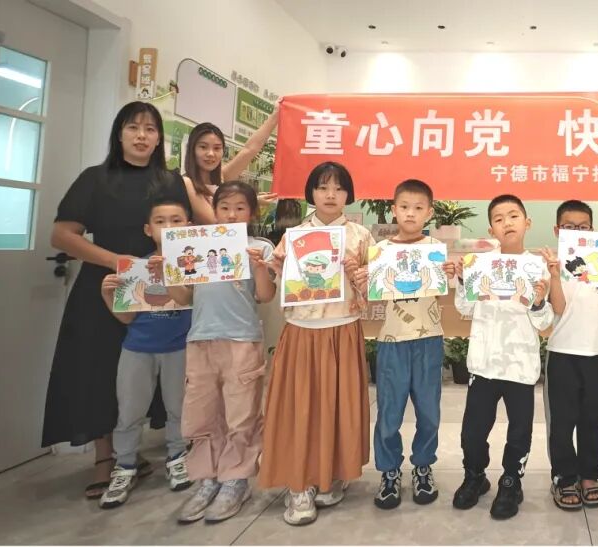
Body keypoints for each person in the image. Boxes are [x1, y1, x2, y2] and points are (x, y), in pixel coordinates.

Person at [43, 101, 193, 499]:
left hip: (162, 289)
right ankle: (105, 459)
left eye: (150, 129)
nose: (141, 136)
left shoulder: (170, 182)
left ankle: (158, 454)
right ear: (119, 133)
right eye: (133, 127)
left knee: (161, 373)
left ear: (159, 138)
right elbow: (62, 235)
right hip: (106, 286)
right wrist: (118, 263)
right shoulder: (95, 179)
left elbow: (187, 233)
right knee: (100, 370)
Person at [259, 162, 373, 526]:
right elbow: (277, 289)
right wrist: (274, 268)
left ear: (348, 195)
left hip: (344, 329)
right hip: (303, 331)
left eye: (338, 188)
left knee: (337, 407)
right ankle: (299, 484)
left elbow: (374, 293)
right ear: (311, 193)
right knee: (301, 408)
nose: (330, 195)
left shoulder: (360, 236)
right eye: (323, 187)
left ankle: (330, 474)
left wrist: (360, 277)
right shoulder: (293, 237)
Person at [167, 182, 276, 523]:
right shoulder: (198, 247)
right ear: (214, 211)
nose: (231, 214)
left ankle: (236, 480)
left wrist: (259, 267)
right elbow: (184, 298)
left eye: (240, 208)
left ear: (252, 213)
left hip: (242, 340)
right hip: (200, 339)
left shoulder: (260, 247)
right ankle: (208, 478)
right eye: (224, 207)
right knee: (202, 413)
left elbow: (265, 296)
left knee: (241, 415)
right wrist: (168, 274)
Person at [451, 194, 552, 520]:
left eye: (513, 216)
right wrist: (463, 280)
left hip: (520, 365)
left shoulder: (538, 267)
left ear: (527, 223)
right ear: (491, 228)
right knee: (472, 432)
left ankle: (511, 481)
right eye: (498, 218)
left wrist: (539, 301)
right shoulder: (481, 264)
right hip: (484, 364)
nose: (507, 223)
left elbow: (544, 322)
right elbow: (465, 308)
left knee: (519, 431)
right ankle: (475, 476)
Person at [362, 179, 456, 510]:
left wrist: (450, 273)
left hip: (429, 340)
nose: (411, 213)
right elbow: (372, 296)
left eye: (418, 208)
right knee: (389, 411)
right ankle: (389, 471)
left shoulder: (435, 249)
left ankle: (423, 466)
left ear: (429, 213)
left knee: (429, 411)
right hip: (392, 341)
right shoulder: (382, 251)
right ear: (393, 210)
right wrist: (364, 279)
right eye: (404, 207)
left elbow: (442, 292)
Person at [97, 197, 194, 509]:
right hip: (137, 348)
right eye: (160, 221)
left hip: (180, 348)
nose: (168, 227)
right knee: (129, 411)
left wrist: (170, 272)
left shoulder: (193, 265)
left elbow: (191, 300)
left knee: (179, 407)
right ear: (148, 229)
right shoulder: (135, 268)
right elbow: (127, 318)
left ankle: (177, 457)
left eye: (176, 220)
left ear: (189, 226)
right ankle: (124, 466)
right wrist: (108, 295)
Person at [538, 200, 598, 510]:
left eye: (583, 227)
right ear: (558, 230)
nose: (577, 232)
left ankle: (590, 476)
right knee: (562, 421)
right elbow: (558, 308)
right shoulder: (549, 263)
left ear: (592, 230)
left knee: (593, 419)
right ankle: (564, 477)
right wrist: (555, 275)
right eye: (569, 227)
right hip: (562, 352)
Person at [181, 113, 279, 223]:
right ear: (192, 149)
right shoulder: (187, 182)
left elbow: (250, 150)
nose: (211, 154)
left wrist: (275, 115)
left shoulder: (222, 176)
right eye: (203, 147)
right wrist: (249, 202)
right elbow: (214, 221)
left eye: (217, 148)